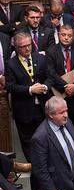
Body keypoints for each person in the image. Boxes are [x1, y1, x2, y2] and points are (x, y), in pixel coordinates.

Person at [5, 32, 50, 161]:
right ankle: (34, 165)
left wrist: (45, 87)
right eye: (23, 46)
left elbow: (49, 77)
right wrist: (30, 89)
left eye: (29, 45)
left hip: (42, 107)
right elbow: (10, 86)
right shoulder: (11, 64)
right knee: (27, 140)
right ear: (16, 47)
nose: (27, 48)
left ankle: (45, 162)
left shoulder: (41, 58)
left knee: (44, 137)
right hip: (23, 109)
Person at [45, 25, 74, 139]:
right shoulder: (51, 51)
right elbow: (51, 73)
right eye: (63, 35)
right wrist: (65, 86)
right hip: (58, 94)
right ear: (59, 35)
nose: (66, 38)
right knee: (59, 126)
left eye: (69, 35)